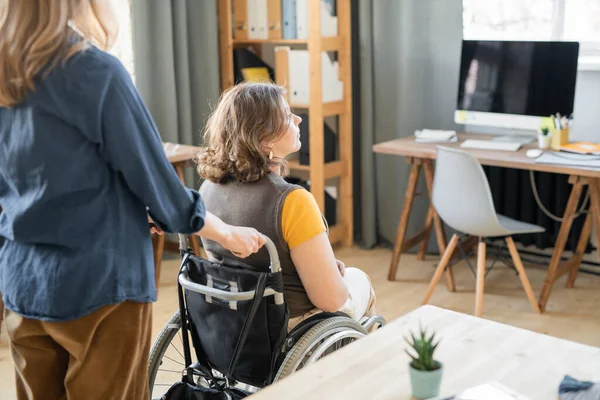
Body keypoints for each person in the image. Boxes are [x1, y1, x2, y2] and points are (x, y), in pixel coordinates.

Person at [0, 1, 264, 399]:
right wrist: (226, 232)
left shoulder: (7, 77)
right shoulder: (93, 72)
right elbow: (163, 192)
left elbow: (44, 180)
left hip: (23, 284)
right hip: (100, 287)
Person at [196, 82, 377, 332]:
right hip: (287, 329)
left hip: (231, 324)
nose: (298, 119)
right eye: (287, 115)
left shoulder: (206, 190)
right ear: (266, 139)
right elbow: (330, 301)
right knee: (359, 280)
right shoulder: (292, 201)